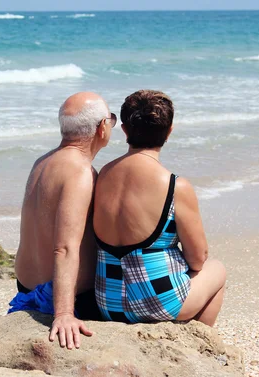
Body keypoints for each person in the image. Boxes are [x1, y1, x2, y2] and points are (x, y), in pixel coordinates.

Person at [93, 90, 226, 326]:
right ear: (170, 130)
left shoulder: (103, 174)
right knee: (216, 269)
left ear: (124, 130)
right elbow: (197, 258)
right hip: (158, 303)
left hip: (108, 301)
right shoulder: (175, 185)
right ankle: (200, 348)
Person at [9, 92, 115, 349]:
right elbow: (65, 247)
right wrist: (65, 313)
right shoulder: (80, 171)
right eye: (111, 119)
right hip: (63, 296)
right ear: (102, 127)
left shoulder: (42, 162)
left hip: (25, 286)